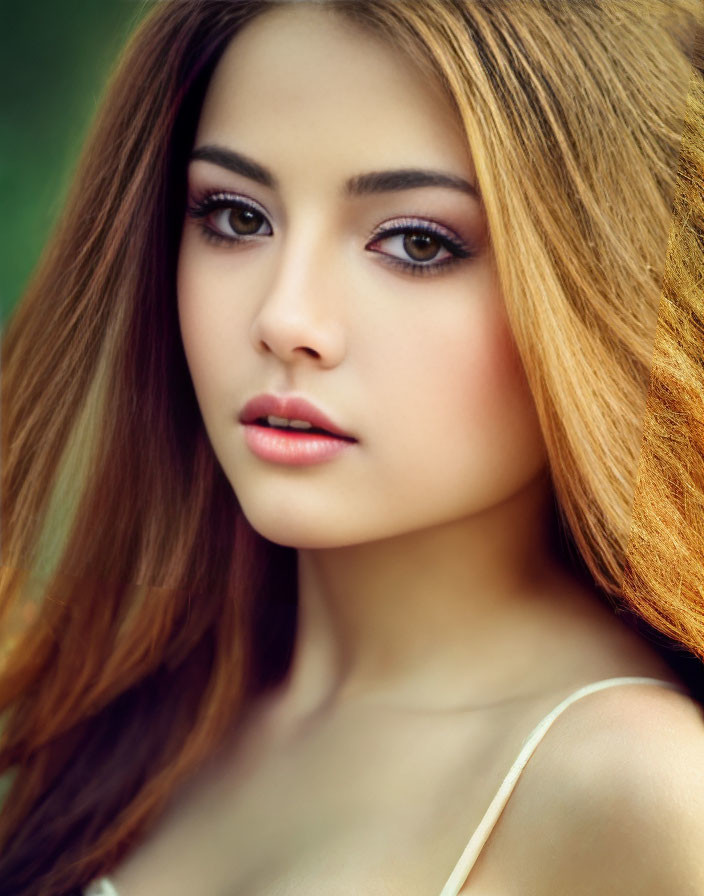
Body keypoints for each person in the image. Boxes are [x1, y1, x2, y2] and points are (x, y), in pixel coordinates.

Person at [1, 0, 703, 893]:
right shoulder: (136, 709)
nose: (285, 318)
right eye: (236, 216)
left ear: (621, 279)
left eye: (416, 241)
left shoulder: (634, 791)